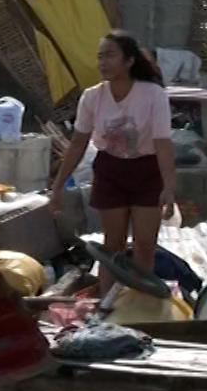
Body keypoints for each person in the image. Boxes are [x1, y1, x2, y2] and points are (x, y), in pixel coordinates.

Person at [48, 31, 178, 299]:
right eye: (99, 57)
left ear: (129, 61)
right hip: (110, 171)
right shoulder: (92, 97)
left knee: (144, 245)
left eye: (110, 55)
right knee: (113, 246)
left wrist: (169, 186)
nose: (103, 63)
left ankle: (141, 303)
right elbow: (77, 144)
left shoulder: (153, 94)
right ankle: (108, 305)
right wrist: (58, 185)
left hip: (147, 170)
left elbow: (163, 143)